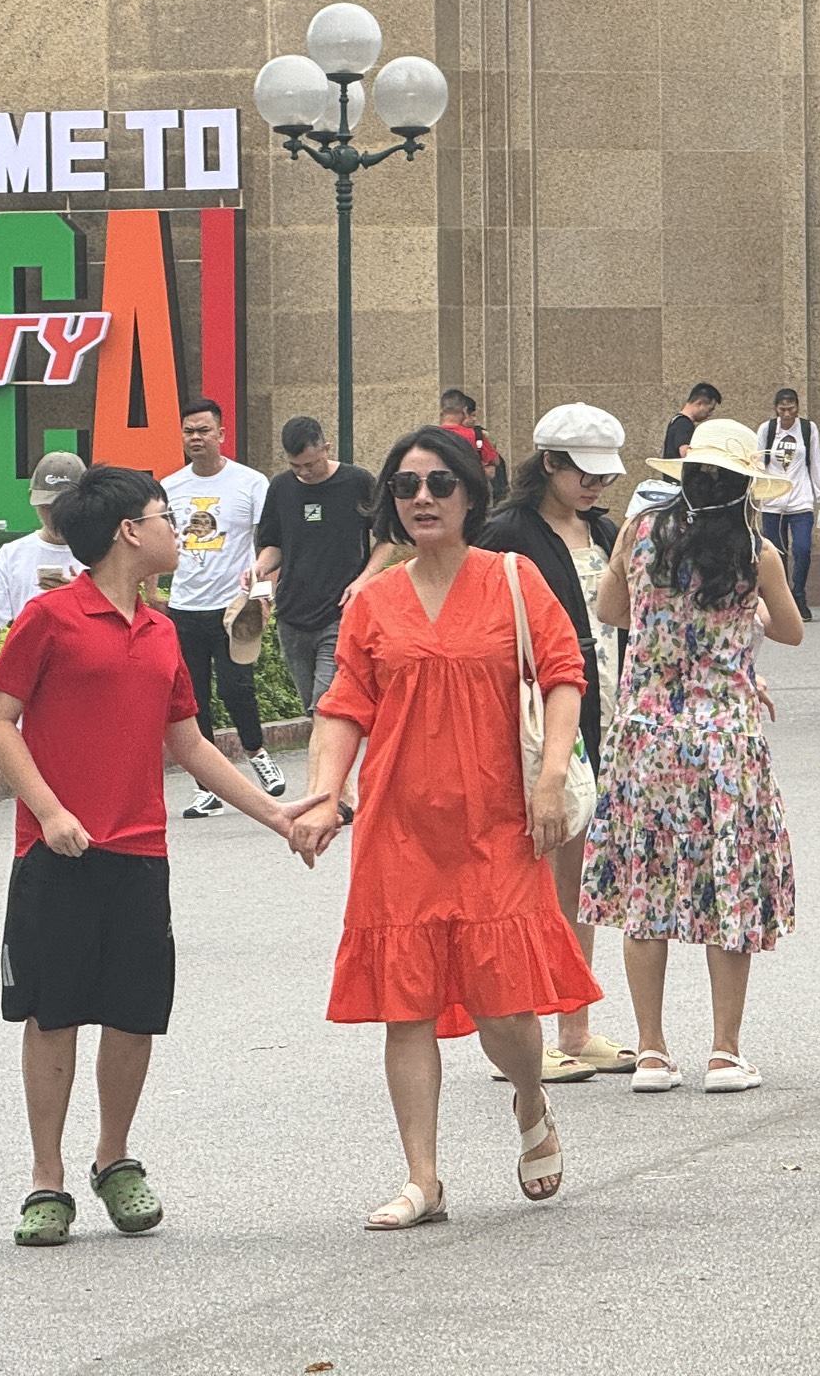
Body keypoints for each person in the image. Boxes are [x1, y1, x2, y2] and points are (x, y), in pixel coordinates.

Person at [285, 426, 602, 1229]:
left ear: (469, 495)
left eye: (438, 485)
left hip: (498, 818)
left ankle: (530, 1097)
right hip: (398, 827)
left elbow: (565, 674)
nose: (421, 498)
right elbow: (343, 708)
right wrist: (326, 794)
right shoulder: (373, 600)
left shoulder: (512, 578)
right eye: (404, 486)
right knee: (407, 1004)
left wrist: (553, 775)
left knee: (503, 1008)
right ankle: (422, 1179)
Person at [0, 464, 302, 1245]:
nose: (176, 531)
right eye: (164, 517)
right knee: (52, 1014)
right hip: (56, 852)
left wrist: (279, 817)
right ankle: (46, 1180)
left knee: (132, 1015)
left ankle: (114, 1161)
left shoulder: (161, 632)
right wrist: (50, 812)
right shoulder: (50, 618)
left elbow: (189, 743)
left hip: (138, 852)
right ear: (129, 531)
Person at [589, 418, 802, 1093]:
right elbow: (791, 629)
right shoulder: (756, 553)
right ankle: (724, 1051)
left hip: (647, 734)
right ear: (745, 485)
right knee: (729, 886)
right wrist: (745, 623)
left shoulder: (638, 534)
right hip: (725, 739)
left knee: (644, 890)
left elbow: (612, 609)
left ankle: (651, 1051)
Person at [477, 403, 631, 1082]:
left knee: (580, 877)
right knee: (530, 879)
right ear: (550, 465)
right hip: (532, 724)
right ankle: (526, 1033)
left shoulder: (605, 528)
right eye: (585, 474)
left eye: (605, 475)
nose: (597, 487)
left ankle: (575, 1024)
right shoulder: (504, 533)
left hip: (604, 715)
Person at [164, 399, 280, 818]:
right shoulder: (170, 487)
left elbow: (270, 544)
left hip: (233, 607)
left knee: (237, 688)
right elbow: (158, 540)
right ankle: (207, 788)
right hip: (184, 607)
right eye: (189, 432)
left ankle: (256, 751)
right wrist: (151, 591)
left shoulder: (250, 483)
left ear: (221, 434)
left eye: (203, 430)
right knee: (192, 701)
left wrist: (264, 594)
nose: (196, 438)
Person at [250, 419, 376, 715]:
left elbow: (387, 537)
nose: (304, 472)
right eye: (296, 466)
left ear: (326, 448)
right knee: (313, 710)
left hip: (339, 611)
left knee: (324, 707)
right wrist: (259, 568)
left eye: (311, 464)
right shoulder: (281, 487)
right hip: (292, 615)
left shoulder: (357, 482)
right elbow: (274, 545)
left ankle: (323, 761)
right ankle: (323, 761)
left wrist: (366, 579)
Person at [0, 451, 87, 649]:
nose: (56, 516)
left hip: (90, 669)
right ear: (32, 498)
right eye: (47, 506)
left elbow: (122, 621)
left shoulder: (106, 550)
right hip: (31, 668)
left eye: (65, 506)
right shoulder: (13, 554)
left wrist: (79, 594)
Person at [755, 388, 820, 619]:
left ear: (798, 407)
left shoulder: (808, 429)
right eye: (782, 409)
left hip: (801, 501)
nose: (787, 414)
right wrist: (756, 493)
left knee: (802, 549)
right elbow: (758, 463)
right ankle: (781, 600)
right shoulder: (767, 430)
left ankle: (799, 594)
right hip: (772, 502)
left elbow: (815, 462)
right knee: (777, 555)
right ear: (775, 409)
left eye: (791, 409)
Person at [438, 389, 511, 505]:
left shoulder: (430, 436)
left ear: (441, 412)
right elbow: (495, 461)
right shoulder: (476, 436)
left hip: (441, 495)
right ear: (465, 410)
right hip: (471, 497)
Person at [662, 383, 721, 459]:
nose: (710, 414)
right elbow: (685, 452)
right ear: (699, 403)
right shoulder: (684, 424)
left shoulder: (677, 420)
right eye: (710, 409)